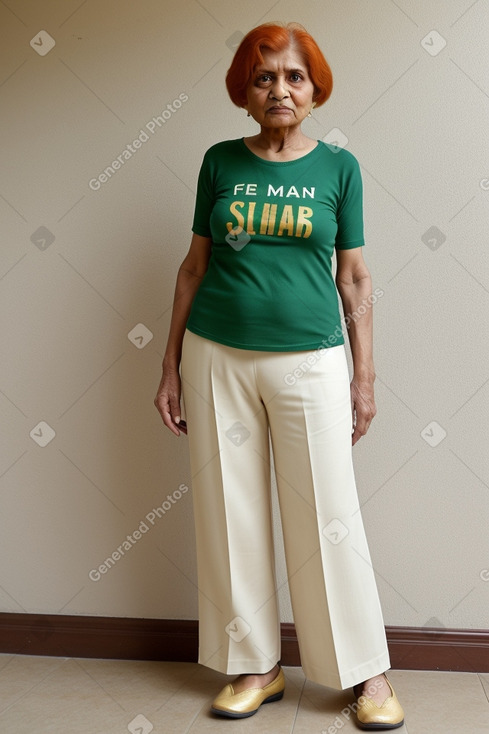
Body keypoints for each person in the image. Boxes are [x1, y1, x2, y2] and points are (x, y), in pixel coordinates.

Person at [154, 21, 405, 730]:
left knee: (327, 518)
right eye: (264, 77)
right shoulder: (219, 162)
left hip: (311, 360)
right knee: (230, 514)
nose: (279, 89)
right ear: (245, 88)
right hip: (217, 355)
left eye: (293, 76)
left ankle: (365, 673)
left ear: (313, 87)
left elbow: (353, 277)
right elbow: (193, 265)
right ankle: (255, 667)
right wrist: (169, 361)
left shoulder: (337, 169)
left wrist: (364, 377)